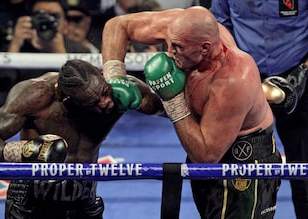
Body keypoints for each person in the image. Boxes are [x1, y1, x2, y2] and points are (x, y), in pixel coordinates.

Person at [101, 6, 283, 218]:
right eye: (169, 43)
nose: (169, 52)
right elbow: (117, 25)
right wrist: (115, 77)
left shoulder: (233, 78)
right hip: (204, 139)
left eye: (177, 47)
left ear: (204, 48)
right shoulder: (182, 27)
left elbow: (206, 157)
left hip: (244, 158)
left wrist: (172, 98)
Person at [0, 59, 164, 219]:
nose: (106, 103)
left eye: (104, 92)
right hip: (31, 197)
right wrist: (26, 151)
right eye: (93, 102)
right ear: (68, 101)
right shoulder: (37, 95)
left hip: (83, 194)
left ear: (101, 74)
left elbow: (164, 110)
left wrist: (156, 97)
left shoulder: (120, 89)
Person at [210, 1, 308, 218]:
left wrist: (303, 71)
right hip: (244, 81)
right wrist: (232, 69)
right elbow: (218, 25)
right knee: (237, 171)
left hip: (298, 78)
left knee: (304, 170)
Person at [0, 0, 90, 107]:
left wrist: (60, 55)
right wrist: (15, 46)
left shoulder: (79, 50)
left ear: (65, 23)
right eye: (39, 15)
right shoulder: (18, 48)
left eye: (53, 16)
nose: (45, 20)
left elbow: (84, 100)